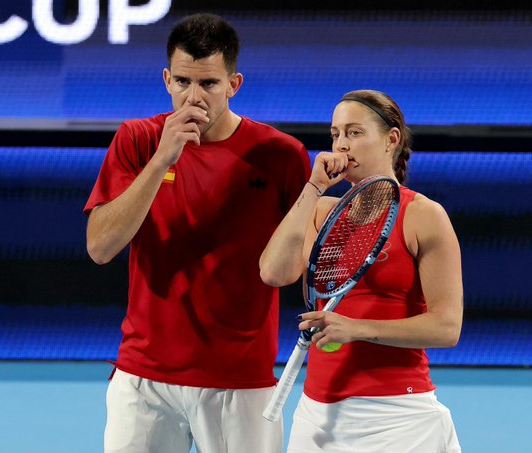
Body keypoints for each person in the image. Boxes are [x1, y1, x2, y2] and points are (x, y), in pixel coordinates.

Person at [84, 13, 310, 453]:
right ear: (166, 78)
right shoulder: (137, 139)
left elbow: (296, 263)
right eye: (182, 81)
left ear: (233, 84)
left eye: (208, 84)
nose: (193, 98)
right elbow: (100, 247)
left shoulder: (282, 155)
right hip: (144, 378)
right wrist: (161, 160)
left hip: (239, 382)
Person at [259, 89, 463, 452]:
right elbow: (273, 272)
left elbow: (447, 327)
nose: (341, 146)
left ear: (391, 139)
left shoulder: (424, 216)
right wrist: (313, 187)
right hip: (316, 416)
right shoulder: (321, 211)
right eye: (336, 134)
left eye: (354, 133)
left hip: (399, 417)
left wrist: (356, 328)